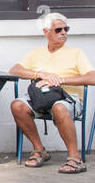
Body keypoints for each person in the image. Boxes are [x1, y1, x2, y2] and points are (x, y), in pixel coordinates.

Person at [9, 11, 95, 174]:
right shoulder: (36, 53)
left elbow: (93, 77)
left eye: (66, 29)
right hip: (41, 97)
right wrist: (40, 75)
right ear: (46, 32)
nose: (63, 33)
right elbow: (15, 70)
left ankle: (75, 158)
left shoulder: (76, 53)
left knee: (59, 108)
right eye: (58, 30)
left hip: (67, 98)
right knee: (17, 105)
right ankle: (39, 150)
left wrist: (61, 80)